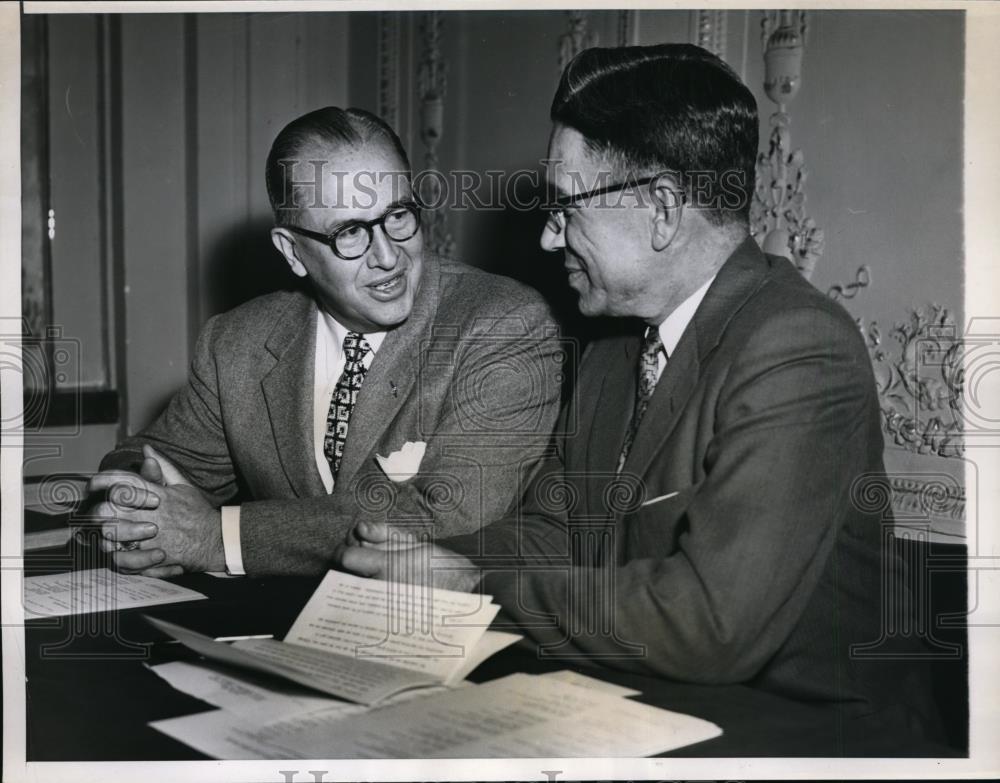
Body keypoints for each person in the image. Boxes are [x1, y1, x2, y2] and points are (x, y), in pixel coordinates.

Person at [341, 45, 940, 744]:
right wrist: (427, 551)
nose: (546, 235)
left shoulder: (798, 346)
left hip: (812, 734)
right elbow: (558, 531)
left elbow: (711, 623)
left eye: (566, 207)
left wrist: (471, 587)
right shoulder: (613, 348)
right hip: (651, 707)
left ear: (661, 208)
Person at [89, 106, 563, 578]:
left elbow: (449, 514)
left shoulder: (502, 323)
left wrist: (217, 538)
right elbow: (157, 458)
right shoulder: (236, 343)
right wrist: (136, 506)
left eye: (398, 215)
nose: (387, 255)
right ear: (293, 252)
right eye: (350, 233)